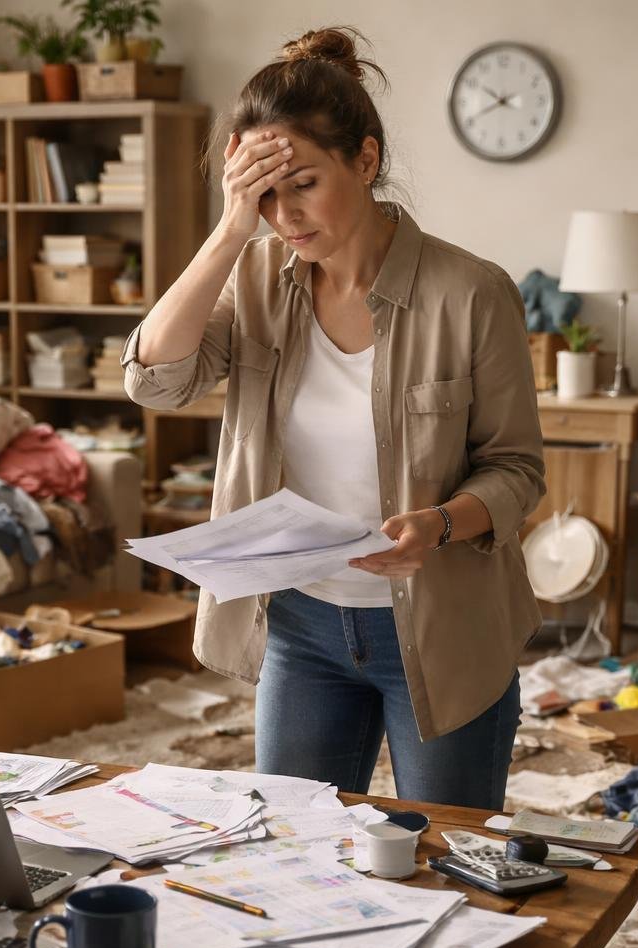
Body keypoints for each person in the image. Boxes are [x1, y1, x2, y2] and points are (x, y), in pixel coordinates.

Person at [121, 26, 545, 809]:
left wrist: (438, 525)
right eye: (263, 193)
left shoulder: (472, 293)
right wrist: (229, 229)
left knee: (445, 854)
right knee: (292, 847)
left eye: (303, 183)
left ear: (366, 159)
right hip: (302, 626)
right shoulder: (254, 278)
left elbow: (516, 471)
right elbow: (156, 382)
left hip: (445, 630)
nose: (284, 214)